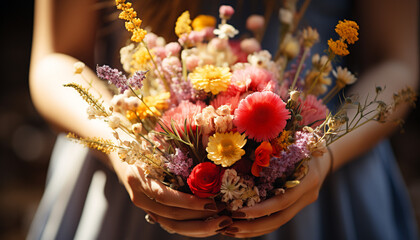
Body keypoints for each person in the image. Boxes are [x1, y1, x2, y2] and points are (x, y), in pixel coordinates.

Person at [28, 0, 418, 239]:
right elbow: (53, 60)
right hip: (129, 181)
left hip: (329, 186)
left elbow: (399, 63)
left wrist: (322, 154)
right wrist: (122, 148)